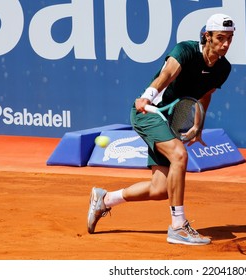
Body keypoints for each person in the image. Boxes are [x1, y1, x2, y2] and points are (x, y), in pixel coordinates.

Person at [87, 13, 235, 245]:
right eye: (220, 37)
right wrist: (146, 97)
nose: (225, 44)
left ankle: (105, 199)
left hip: (173, 121)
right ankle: (178, 226)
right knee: (179, 155)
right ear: (207, 36)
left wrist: (198, 126)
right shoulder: (185, 51)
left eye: (229, 38)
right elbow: (167, 75)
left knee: (160, 189)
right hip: (150, 113)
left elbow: (205, 96)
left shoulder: (223, 68)